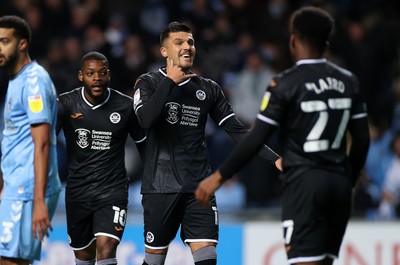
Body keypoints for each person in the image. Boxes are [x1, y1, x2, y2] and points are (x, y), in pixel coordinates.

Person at [195, 6, 370, 265]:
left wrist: (220, 176)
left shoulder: (285, 83)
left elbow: (256, 137)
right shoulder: (348, 81)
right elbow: (362, 139)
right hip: (338, 184)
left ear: (294, 40)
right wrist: (349, 179)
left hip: (304, 184)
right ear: (326, 42)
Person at [133, 21, 282, 265]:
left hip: (199, 189)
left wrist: (275, 158)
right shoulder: (147, 82)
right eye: (179, 42)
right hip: (161, 186)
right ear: (164, 51)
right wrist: (169, 82)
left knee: (207, 260)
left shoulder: (208, 89)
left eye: (190, 42)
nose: (187, 47)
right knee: (154, 262)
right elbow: (145, 120)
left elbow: (238, 131)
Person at [57, 51, 146, 265]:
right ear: (81, 76)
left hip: (113, 191)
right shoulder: (66, 104)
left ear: (109, 75)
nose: (97, 78)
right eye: (90, 73)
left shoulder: (125, 106)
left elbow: (145, 145)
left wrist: (154, 181)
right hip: (78, 191)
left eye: (102, 73)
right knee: (84, 256)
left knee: (107, 249)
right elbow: (44, 142)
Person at [0, 15, 61, 265]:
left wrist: (38, 202)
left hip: (27, 190)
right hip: (16, 187)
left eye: (5, 41)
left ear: (22, 44)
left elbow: (42, 142)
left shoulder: (34, 81)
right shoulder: (17, 80)